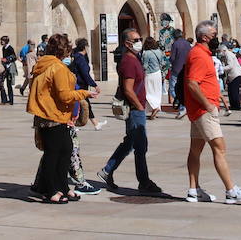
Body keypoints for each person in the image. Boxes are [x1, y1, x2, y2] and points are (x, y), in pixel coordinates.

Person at [183, 22, 241, 204]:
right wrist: (207, 104)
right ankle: (231, 191)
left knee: (196, 149)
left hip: (199, 109)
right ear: (205, 37)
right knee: (219, 148)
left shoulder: (201, 54)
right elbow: (192, 83)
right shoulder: (199, 55)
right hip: (203, 111)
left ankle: (193, 190)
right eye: (214, 34)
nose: (217, 38)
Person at [28, 33, 98, 203]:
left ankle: (62, 187)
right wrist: (85, 93)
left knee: (65, 150)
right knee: (54, 153)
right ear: (64, 49)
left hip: (50, 114)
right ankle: (51, 190)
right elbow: (65, 95)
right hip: (53, 115)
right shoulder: (57, 68)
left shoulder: (45, 64)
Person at [98, 28, 162, 194]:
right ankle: (144, 181)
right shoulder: (128, 61)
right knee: (139, 146)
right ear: (127, 43)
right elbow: (127, 89)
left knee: (132, 143)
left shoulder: (135, 58)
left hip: (138, 106)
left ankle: (108, 170)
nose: (139, 42)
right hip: (134, 109)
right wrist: (139, 107)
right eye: (136, 40)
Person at [67, 38, 101, 130]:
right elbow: (85, 74)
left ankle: (95, 123)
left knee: (84, 104)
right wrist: (95, 85)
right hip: (80, 85)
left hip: (80, 84)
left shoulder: (78, 57)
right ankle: (72, 123)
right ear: (85, 47)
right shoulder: (80, 58)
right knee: (78, 105)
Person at [141, 36, 167, 118]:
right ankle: (155, 108)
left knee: (148, 92)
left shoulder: (146, 53)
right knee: (157, 92)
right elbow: (163, 62)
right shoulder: (159, 52)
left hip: (149, 74)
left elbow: (145, 66)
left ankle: (154, 107)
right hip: (158, 73)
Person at [168, 30, 191, 115]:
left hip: (176, 69)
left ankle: (182, 104)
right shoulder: (187, 44)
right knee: (183, 88)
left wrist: (169, 61)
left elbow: (172, 58)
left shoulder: (175, 44)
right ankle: (184, 105)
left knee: (172, 88)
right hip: (185, 69)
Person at [0, 35, 18, 105]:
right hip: (5, 67)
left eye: (2, 41)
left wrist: (7, 59)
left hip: (9, 68)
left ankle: (11, 100)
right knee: (1, 83)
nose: (1, 42)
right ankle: (4, 100)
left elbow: (14, 57)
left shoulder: (10, 48)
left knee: (9, 85)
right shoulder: (4, 48)